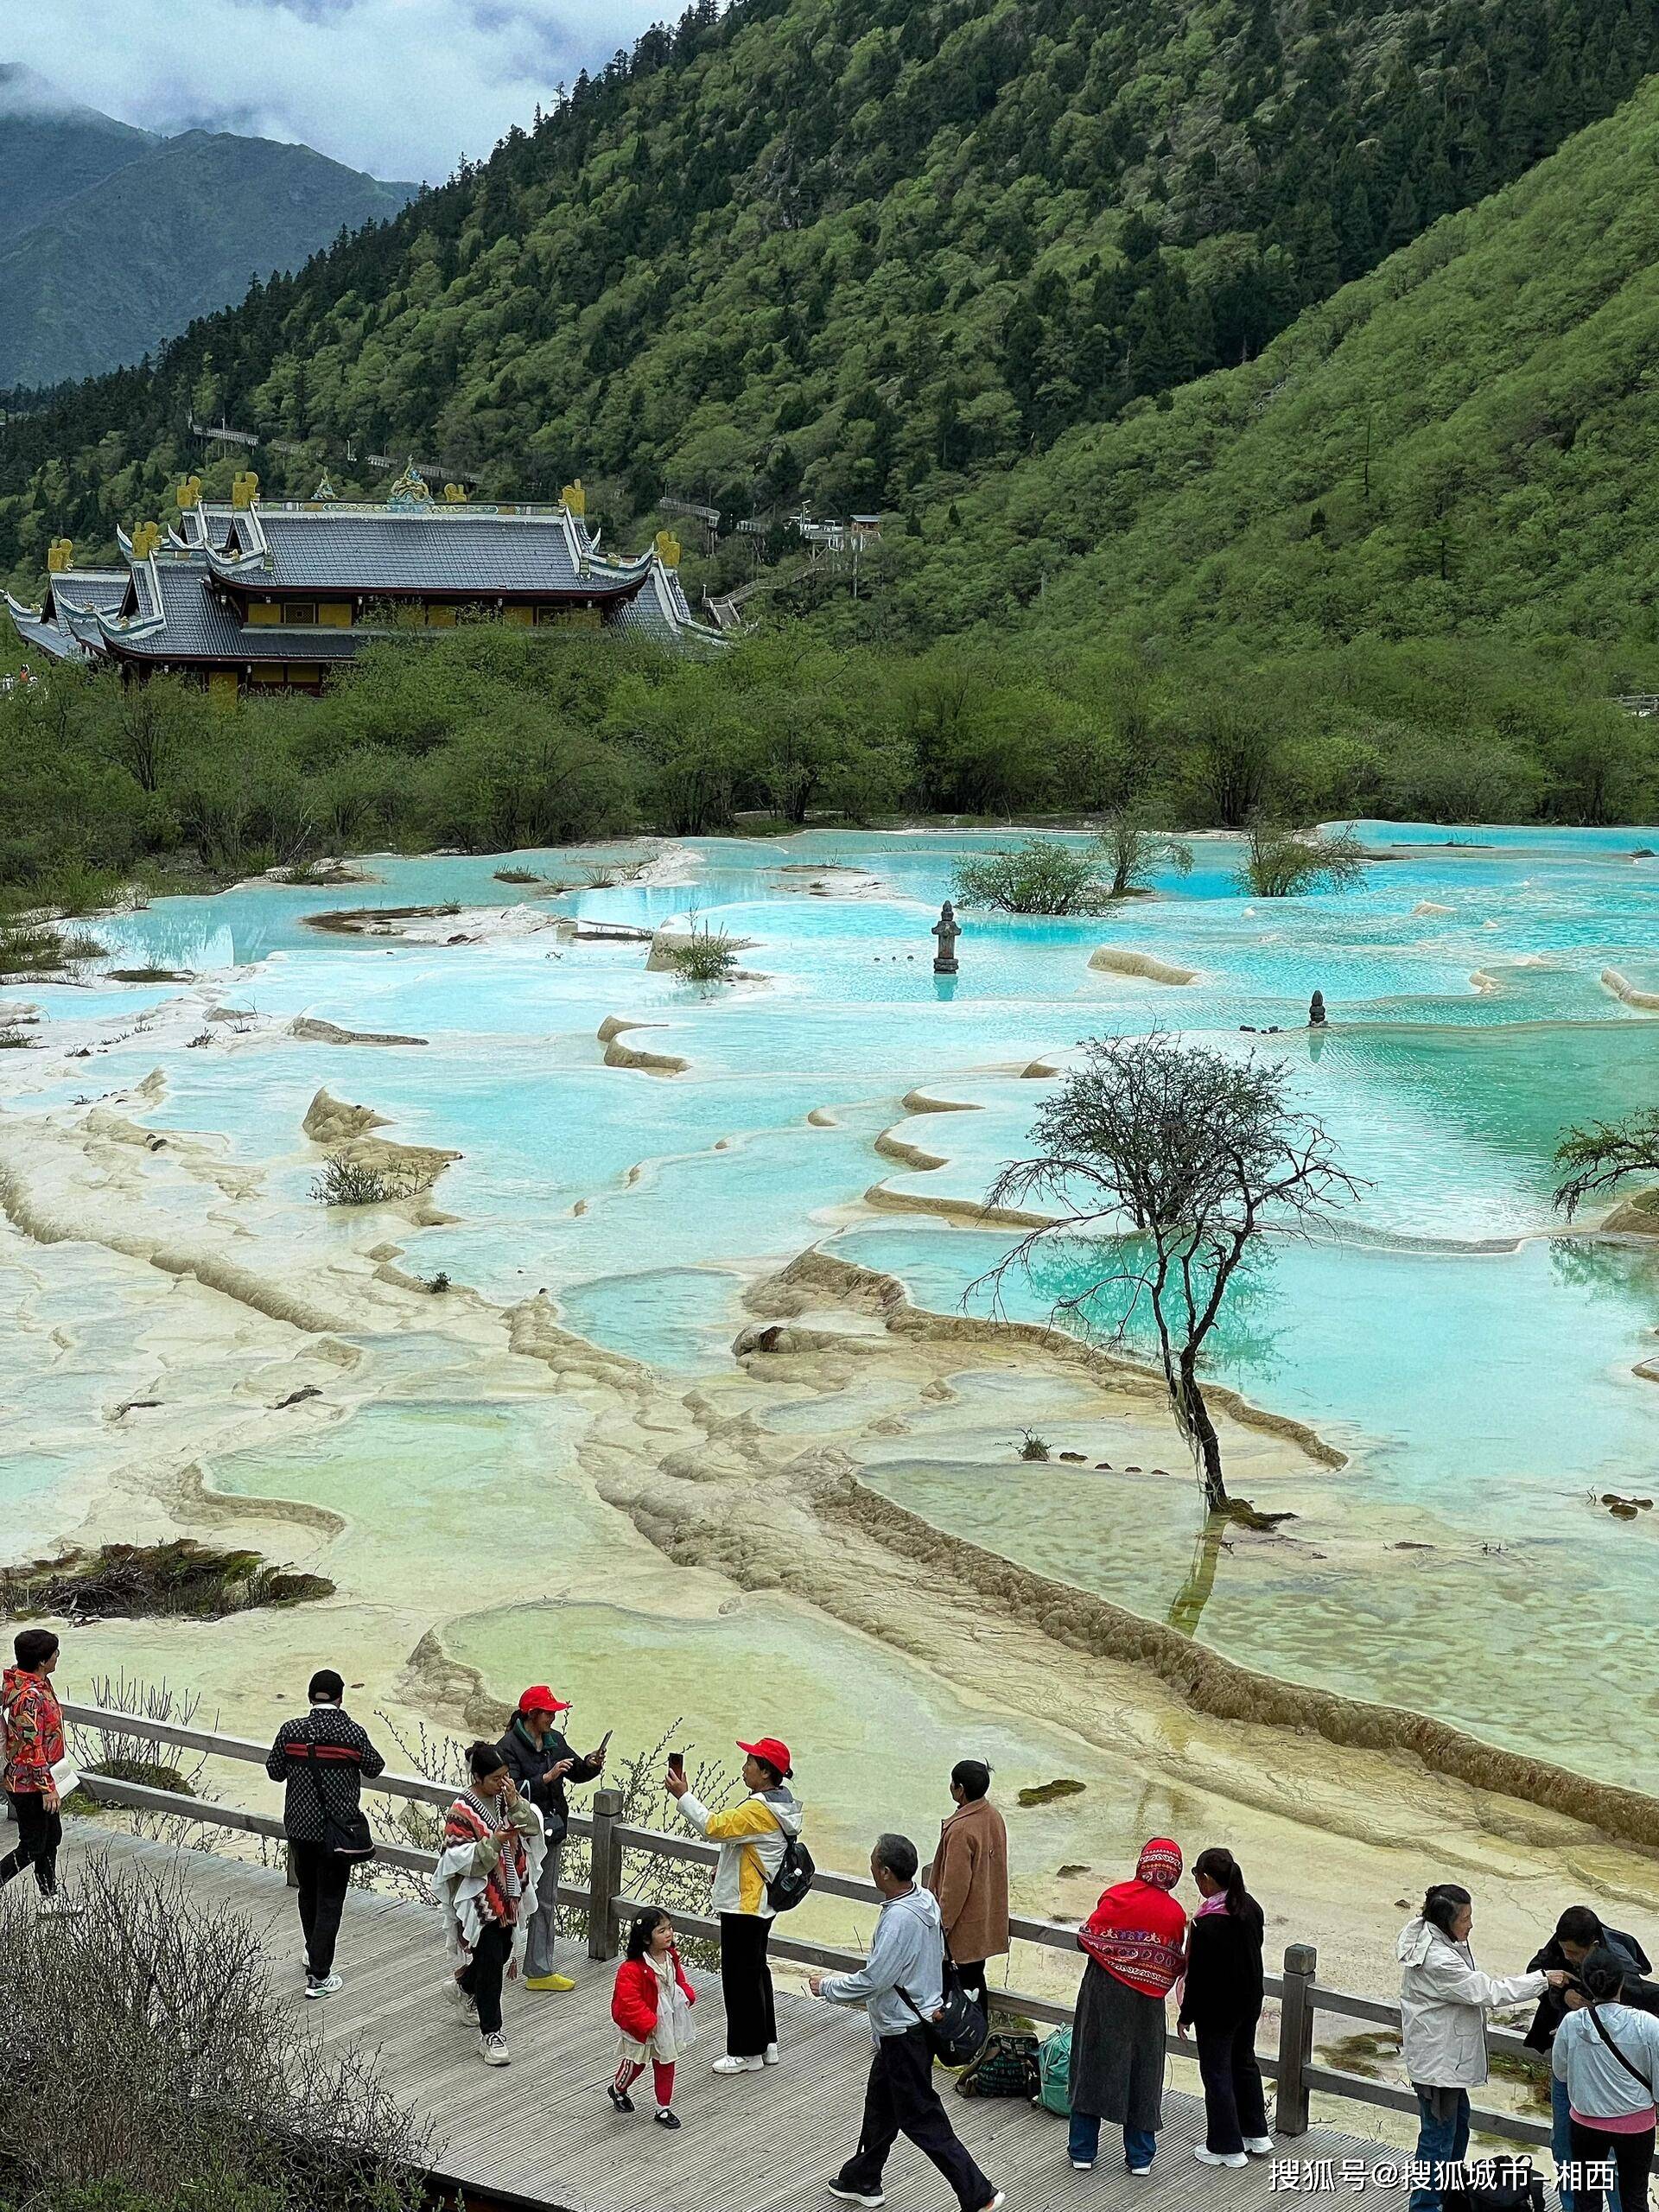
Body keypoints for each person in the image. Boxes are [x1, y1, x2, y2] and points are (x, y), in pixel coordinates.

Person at [810, 1833, 1004, 2212]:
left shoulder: (898, 1919)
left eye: (872, 1861)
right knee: (880, 2106)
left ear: (884, 1871)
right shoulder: (924, 1900)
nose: (869, 1865)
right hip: (917, 2021)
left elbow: (873, 1980)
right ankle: (862, 2179)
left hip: (903, 2030)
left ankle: (979, 2193)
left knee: (921, 2117)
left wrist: (827, 1988)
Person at [1398, 1883, 1561, 2212]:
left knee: (1455, 2131)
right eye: (1465, 1919)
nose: (1470, 1925)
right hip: (1439, 2065)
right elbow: (1489, 1992)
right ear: (1445, 1922)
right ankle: (1426, 2206)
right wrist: (1542, 1979)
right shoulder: (1439, 1959)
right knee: (1438, 2139)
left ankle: (1447, 2197)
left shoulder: (1431, 1935)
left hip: (1444, 2058)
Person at [665, 1734, 802, 2075]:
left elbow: (713, 1827)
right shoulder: (780, 1804)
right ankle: (767, 2044)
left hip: (745, 1904)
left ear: (766, 1772)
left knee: (738, 1978)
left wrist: (683, 1796)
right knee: (756, 1972)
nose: (744, 1769)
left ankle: (745, 2051)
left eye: (750, 1764)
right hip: (761, 1904)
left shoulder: (758, 1808)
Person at [1069, 1838, 1189, 2177]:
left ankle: (1082, 2151)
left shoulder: (1116, 1895)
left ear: (1143, 1864)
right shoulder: (1175, 1914)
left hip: (1102, 1993)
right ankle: (1140, 2157)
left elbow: (1086, 1938)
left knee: (1091, 2061)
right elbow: (1172, 1963)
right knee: (1143, 2070)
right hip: (1147, 2002)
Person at [264, 1667, 385, 1999]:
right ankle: (319, 1976)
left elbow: (274, 1772)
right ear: (341, 1698)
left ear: (309, 1697)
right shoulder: (352, 1733)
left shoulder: (291, 1731)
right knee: (331, 1901)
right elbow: (375, 1768)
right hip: (337, 1833)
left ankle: (312, 1950)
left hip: (300, 1829)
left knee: (308, 1893)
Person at [1529, 1907, 1657, 2212]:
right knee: (1564, 2150)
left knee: (1614, 2170)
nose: (1568, 1957)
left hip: (1611, 2088)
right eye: (1564, 1951)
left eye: (1574, 1953)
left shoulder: (1621, 1967)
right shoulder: (1562, 1943)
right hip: (1579, 2082)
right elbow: (1534, 1974)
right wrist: (1563, 1997)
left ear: (1593, 1948)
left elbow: (1645, 2004)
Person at [433, 1738, 545, 2067]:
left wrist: (516, 1803)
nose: (503, 1783)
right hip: (479, 1897)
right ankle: (492, 2033)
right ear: (477, 1777)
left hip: (509, 1891)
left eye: (505, 1776)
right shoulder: (461, 1811)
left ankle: (464, 1986)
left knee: (499, 1955)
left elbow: (532, 1829)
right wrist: (494, 1842)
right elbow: (461, 1860)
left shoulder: (504, 1800)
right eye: (496, 1778)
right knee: (492, 1958)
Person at [495, 1684, 607, 1994]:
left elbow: (576, 1772)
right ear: (533, 1714)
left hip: (551, 1831)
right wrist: (546, 1778)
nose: (554, 1719)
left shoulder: (555, 1741)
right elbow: (509, 1791)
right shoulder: (508, 1747)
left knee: (546, 1899)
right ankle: (496, 1963)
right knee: (507, 1900)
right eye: (549, 1713)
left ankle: (539, 1969)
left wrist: (591, 1765)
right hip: (517, 1835)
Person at [1177, 1846, 1272, 2168]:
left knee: (1216, 2072)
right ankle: (1255, 2133)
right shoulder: (1251, 1907)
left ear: (1206, 1879)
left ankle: (1225, 2146)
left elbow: (1199, 1977)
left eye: (1197, 1879)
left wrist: (1185, 2014)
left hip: (1217, 2008)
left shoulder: (1207, 1924)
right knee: (1244, 2063)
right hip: (1249, 2000)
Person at [924, 1759, 1008, 2012]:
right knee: (975, 1982)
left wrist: (940, 1929)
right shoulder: (993, 1816)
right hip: (984, 1922)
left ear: (960, 1789)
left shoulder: (961, 1829)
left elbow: (954, 1888)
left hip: (961, 1930)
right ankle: (978, 2041)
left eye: (952, 1783)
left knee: (955, 1993)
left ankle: (962, 2046)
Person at [609, 1905, 697, 2130]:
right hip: (646, 2024)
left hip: (667, 2019)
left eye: (669, 1928)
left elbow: (678, 1980)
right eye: (661, 1930)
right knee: (636, 2062)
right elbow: (629, 2001)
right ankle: (618, 2088)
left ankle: (663, 2107)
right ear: (646, 1938)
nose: (668, 1934)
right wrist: (648, 2023)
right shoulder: (632, 1969)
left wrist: (686, 1994)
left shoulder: (670, 1957)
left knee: (666, 2061)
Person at [0, 1628, 68, 1911]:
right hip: (27, 1784)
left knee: (52, 1837)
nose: (57, 1657)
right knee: (32, 1845)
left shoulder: (34, 1682)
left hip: (39, 1779)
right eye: (55, 1653)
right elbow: (31, 1749)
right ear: (42, 1660)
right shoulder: (29, 1696)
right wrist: (48, 1789)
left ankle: (49, 1897)